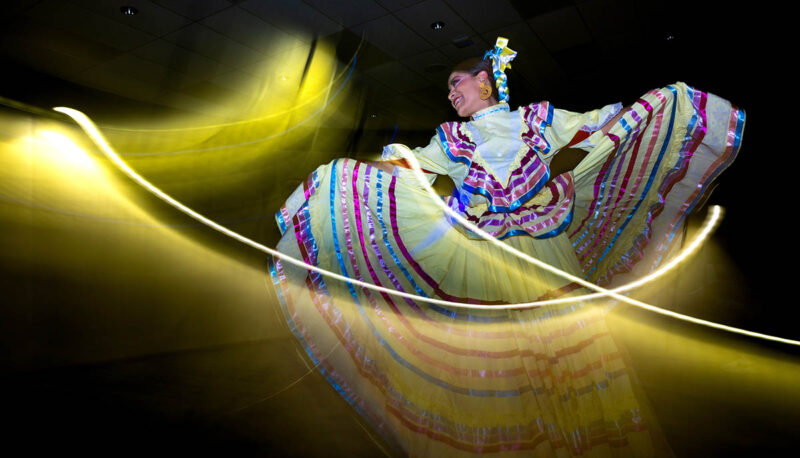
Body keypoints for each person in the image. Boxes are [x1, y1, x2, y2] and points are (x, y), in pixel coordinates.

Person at [269, 38, 744, 457]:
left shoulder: (536, 119)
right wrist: (352, 177)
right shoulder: (450, 138)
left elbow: (598, 124)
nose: (452, 93)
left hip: (546, 249)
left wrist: (642, 112)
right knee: (506, 360)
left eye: (457, 82)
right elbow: (410, 166)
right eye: (448, 89)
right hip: (488, 257)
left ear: (484, 80)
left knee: (570, 346)